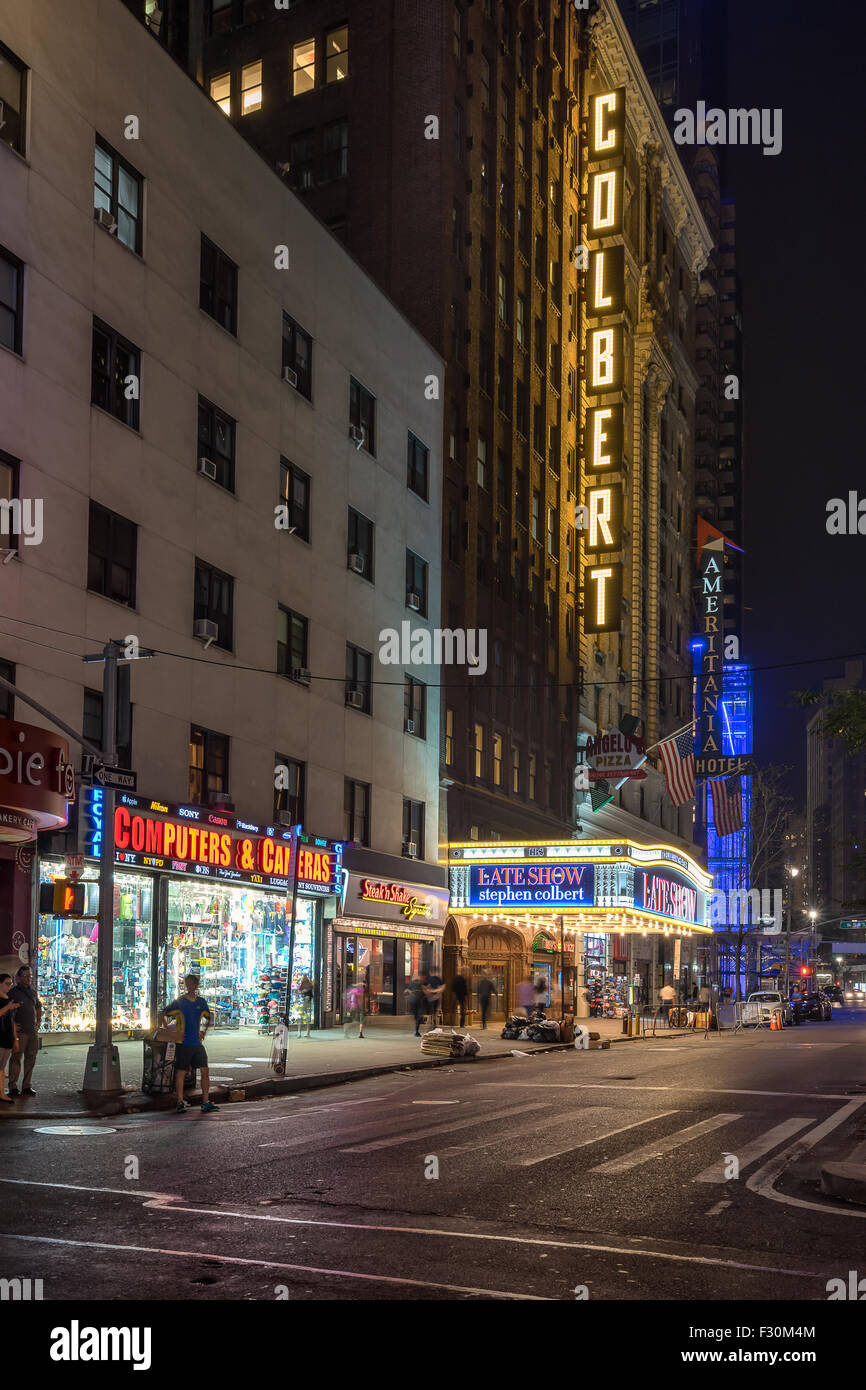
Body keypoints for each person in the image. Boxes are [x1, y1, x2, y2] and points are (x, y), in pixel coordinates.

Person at [163, 975, 219, 1113]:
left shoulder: (201, 1002)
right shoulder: (180, 1001)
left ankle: (205, 1101)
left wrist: (203, 1031)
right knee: (181, 1072)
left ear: (196, 985)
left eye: (191, 983)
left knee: (205, 1070)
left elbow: (209, 1016)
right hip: (183, 1043)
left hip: (196, 1043)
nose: (188, 986)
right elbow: (163, 1013)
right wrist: (172, 1034)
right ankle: (180, 1101)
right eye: (186, 983)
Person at [8, 965, 41, 1098]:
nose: (28, 979)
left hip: (32, 1032)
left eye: (30, 976)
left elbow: (38, 1006)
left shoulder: (32, 992)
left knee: (31, 1058)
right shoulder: (13, 993)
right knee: (16, 1058)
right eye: (25, 976)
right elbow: (8, 1011)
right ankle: (13, 1086)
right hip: (20, 1033)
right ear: (19, 978)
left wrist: (38, 1020)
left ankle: (27, 1085)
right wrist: (14, 1026)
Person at [0, 974, 21, 1105]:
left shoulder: (8, 998)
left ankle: (1, 1093)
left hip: (7, 1037)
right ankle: (1, 1093)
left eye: (10, 983)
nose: (10, 986)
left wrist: (15, 1039)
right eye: (7, 983)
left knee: (2, 1067)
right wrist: (8, 1007)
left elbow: (12, 1021)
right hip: (0, 1037)